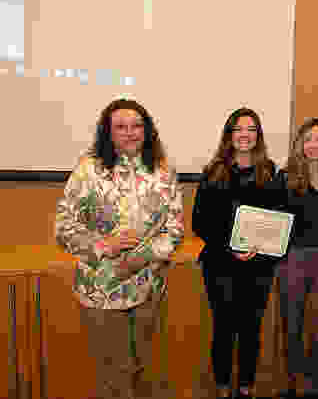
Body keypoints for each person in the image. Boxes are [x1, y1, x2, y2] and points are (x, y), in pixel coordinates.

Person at [55, 98, 185, 399]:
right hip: (101, 289)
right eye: (121, 127)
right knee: (114, 375)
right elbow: (63, 228)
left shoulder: (163, 172)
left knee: (144, 370)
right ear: (108, 132)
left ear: (147, 130)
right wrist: (103, 245)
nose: (130, 133)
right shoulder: (88, 171)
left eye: (137, 125)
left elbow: (175, 229)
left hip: (149, 286)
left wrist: (140, 259)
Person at [192, 107, 282, 399]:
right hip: (221, 264)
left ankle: (246, 387)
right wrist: (230, 247)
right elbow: (199, 221)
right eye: (239, 129)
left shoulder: (270, 171)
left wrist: (261, 247)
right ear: (229, 135)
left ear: (258, 135)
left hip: (259, 265)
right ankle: (221, 387)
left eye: (251, 129)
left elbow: (278, 216)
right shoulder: (213, 171)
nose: (245, 135)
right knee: (223, 329)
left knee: (251, 330)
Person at [274, 118, 318, 399]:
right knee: (291, 323)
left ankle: (316, 384)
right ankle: (291, 384)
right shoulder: (285, 176)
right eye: (309, 139)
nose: (315, 145)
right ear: (300, 144)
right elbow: (275, 220)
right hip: (292, 259)